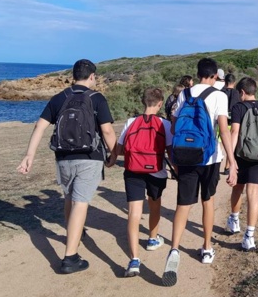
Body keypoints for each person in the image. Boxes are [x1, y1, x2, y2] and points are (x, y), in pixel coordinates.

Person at [17, 59, 116, 274]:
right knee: (81, 202)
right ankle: (70, 257)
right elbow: (107, 131)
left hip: (63, 157)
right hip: (89, 157)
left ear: (73, 75)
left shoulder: (59, 98)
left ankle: (74, 236)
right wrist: (114, 154)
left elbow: (39, 125)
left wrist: (29, 155)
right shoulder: (97, 98)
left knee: (70, 198)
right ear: (91, 76)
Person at [162, 58, 237, 287]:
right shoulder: (219, 96)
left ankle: (174, 249)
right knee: (207, 201)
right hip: (210, 158)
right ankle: (206, 249)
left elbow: (174, 127)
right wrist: (231, 161)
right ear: (214, 76)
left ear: (198, 73)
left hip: (186, 156)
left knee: (183, 204)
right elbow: (223, 130)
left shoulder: (184, 94)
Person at [107, 87, 173, 278]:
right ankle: (153, 239)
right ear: (160, 104)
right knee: (154, 206)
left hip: (133, 170)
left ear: (143, 102)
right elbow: (170, 151)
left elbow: (119, 149)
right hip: (156, 172)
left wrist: (111, 160)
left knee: (134, 214)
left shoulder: (130, 122)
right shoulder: (164, 124)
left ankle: (134, 260)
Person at [226, 77, 258, 251]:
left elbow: (235, 132)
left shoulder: (238, 107)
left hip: (242, 155)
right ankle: (249, 236)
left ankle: (234, 220)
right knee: (253, 194)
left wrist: (230, 160)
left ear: (242, 92)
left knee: (238, 188)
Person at [221, 73, 241, 176]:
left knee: (218, 145)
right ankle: (227, 166)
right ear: (234, 82)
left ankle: (217, 164)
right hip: (233, 122)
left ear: (225, 81)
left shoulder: (220, 92)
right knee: (230, 145)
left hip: (221, 122)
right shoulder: (237, 93)